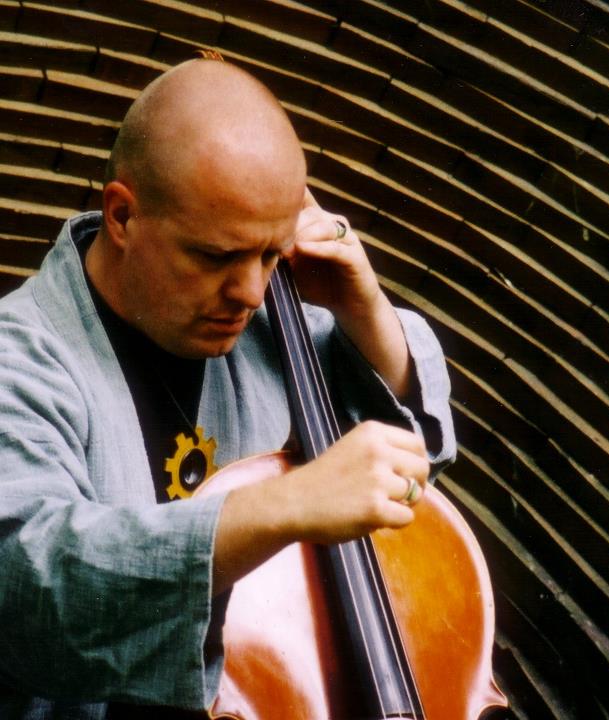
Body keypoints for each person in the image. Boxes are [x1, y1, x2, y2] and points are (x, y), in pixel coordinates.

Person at [0, 58, 455, 718]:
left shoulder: (279, 329)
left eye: (270, 254)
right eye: (217, 256)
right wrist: (282, 504)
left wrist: (365, 310)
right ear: (122, 216)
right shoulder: (18, 358)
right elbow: (30, 587)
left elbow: (414, 469)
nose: (251, 292)